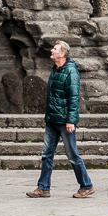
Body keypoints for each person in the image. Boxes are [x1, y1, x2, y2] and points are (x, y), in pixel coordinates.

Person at [26, 42, 94, 199]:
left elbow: (73, 97)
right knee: (46, 154)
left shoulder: (71, 71)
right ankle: (43, 188)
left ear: (62, 54)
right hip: (52, 119)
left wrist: (71, 120)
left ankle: (86, 185)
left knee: (72, 155)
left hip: (64, 121)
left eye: (55, 49)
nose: (51, 50)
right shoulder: (55, 70)